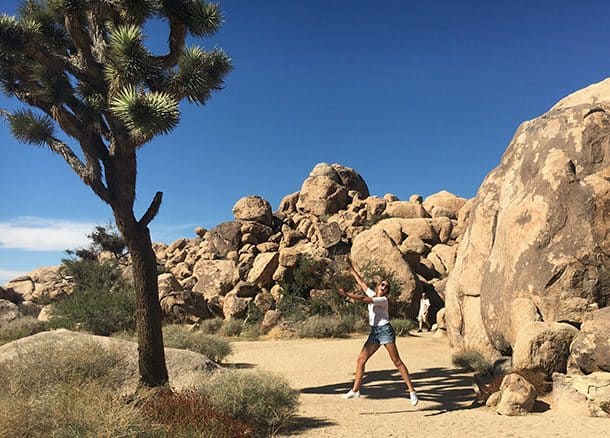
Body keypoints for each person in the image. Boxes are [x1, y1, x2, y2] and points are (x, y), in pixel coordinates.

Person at [337, 259, 418, 406]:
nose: (384, 287)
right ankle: (355, 390)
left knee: (397, 361)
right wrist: (352, 269)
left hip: (385, 331)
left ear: (387, 291)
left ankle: (412, 392)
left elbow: (362, 298)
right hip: (375, 332)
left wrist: (347, 295)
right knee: (361, 360)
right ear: (378, 286)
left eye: (386, 287)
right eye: (382, 284)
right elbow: (362, 284)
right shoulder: (373, 293)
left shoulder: (382, 300)